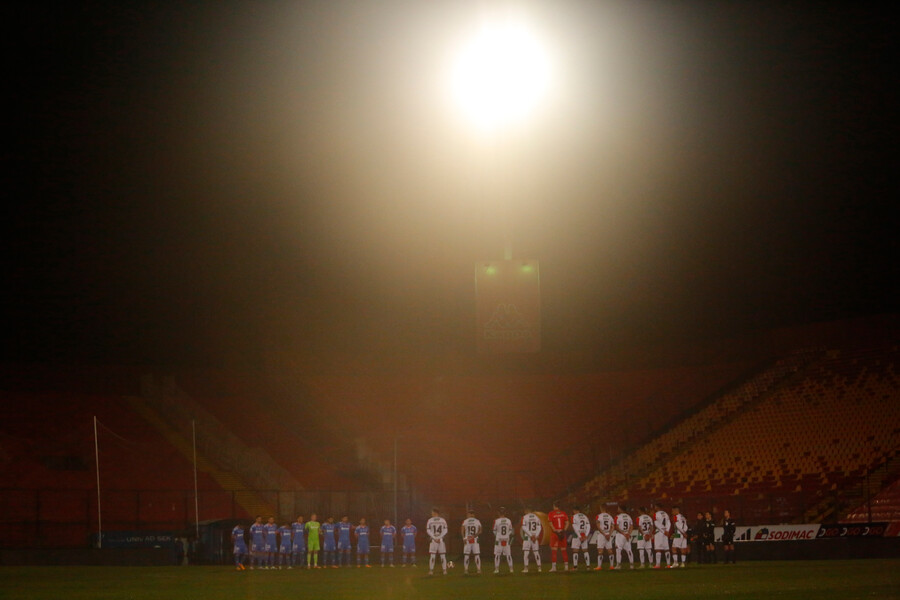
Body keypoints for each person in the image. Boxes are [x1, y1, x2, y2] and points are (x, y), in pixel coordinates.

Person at [547, 501, 569, 572]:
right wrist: (563, 531)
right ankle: (566, 567)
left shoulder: (551, 513)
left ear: (554, 506)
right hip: (562, 532)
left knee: (554, 550)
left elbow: (550, 523)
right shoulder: (563, 513)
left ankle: (554, 567)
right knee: (564, 550)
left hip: (555, 533)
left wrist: (556, 531)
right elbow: (567, 523)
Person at [520, 506, 543, 573]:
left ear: (526, 510)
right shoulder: (536, 517)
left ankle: (526, 568)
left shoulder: (524, 517)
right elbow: (539, 527)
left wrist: (530, 535)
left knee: (526, 552)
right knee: (536, 552)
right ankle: (539, 568)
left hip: (528, 537)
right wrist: (536, 536)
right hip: (535, 537)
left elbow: (524, 527)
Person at [426, 507, 448, 575]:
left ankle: (431, 571)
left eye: (432, 513)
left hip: (433, 540)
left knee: (432, 555)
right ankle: (444, 571)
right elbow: (445, 530)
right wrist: (440, 537)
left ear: (435, 513)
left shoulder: (430, 520)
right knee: (442, 555)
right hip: (441, 540)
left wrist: (434, 537)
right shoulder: (443, 520)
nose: (431, 514)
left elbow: (428, 530)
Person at [492, 507, 514, 575]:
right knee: (508, 555)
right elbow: (511, 530)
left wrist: (498, 536)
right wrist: (507, 535)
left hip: (498, 540)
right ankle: (511, 569)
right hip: (506, 539)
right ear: (505, 513)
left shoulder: (496, 521)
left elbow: (494, 530)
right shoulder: (508, 520)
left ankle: (496, 569)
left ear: (498, 513)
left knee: (497, 555)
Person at [461, 509, 483, 575]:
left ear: (469, 514)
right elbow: (480, 531)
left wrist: (463, 538)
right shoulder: (477, 521)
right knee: (476, 555)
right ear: (473, 514)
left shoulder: (465, 521)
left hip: (467, 539)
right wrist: (474, 536)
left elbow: (462, 530)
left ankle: (466, 570)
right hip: (475, 539)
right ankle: (478, 569)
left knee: (466, 555)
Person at [593, 506, 615, 570]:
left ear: (601, 509)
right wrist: (609, 534)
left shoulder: (598, 516)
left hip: (601, 535)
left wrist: (604, 534)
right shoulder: (610, 516)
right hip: (608, 534)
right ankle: (611, 566)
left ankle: (599, 566)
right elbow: (613, 526)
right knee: (610, 550)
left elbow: (598, 527)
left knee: (600, 551)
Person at [614, 505, 635, 569]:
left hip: (620, 535)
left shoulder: (617, 517)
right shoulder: (629, 517)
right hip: (627, 535)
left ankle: (618, 565)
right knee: (629, 550)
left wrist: (623, 533)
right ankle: (632, 565)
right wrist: (628, 533)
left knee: (618, 549)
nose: (617, 509)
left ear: (621, 509)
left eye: (618, 508)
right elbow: (631, 526)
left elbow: (616, 527)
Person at [570, 506, 591, 570]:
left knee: (575, 551)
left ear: (575, 510)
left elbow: (575, 527)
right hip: (584, 534)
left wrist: (579, 536)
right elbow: (588, 526)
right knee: (585, 550)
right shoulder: (585, 516)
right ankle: (588, 566)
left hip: (577, 535)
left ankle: (575, 567)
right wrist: (586, 535)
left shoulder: (574, 517)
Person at [652, 503, 672, 569]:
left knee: (658, 549)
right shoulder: (666, 514)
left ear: (657, 507)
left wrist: (663, 531)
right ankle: (668, 564)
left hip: (659, 532)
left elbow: (657, 524)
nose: (654, 508)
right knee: (666, 548)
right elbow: (669, 523)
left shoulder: (656, 514)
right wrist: (667, 531)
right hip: (666, 533)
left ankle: (658, 565)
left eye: (655, 506)